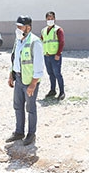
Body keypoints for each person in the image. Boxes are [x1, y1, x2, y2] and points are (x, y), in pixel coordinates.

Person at [6, 16, 45, 146]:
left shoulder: (35, 42)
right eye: (17, 26)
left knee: (30, 108)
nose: (18, 29)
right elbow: (15, 59)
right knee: (17, 106)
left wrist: (33, 84)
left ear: (28, 27)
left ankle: (31, 134)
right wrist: (11, 74)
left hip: (29, 82)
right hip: (18, 79)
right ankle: (19, 132)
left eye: (20, 26)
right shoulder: (18, 41)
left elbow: (39, 66)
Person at [40, 11, 65, 100]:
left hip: (55, 56)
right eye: (48, 19)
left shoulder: (58, 30)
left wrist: (58, 54)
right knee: (50, 74)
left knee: (57, 73)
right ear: (46, 19)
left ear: (54, 19)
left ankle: (62, 92)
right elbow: (41, 41)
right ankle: (52, 90)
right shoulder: (43, 30)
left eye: (52, 19)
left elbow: (61, 42)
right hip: (47, 55)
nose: (50, 20)